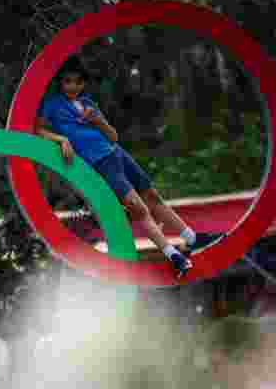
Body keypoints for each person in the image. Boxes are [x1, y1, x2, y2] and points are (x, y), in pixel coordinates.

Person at [35, 56, 222, 279]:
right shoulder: (53, 104)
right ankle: (174, 255)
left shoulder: (88, 104)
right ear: (61, 83)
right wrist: (62, 140)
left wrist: (98, 121)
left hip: (116, 153)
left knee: (152, 196)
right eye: (68, 82)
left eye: (77, 82)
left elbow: (113, 136)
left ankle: (193, 238)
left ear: (83, 83)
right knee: (138, 207)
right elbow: (38, 130)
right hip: (99, 162)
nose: (72, 86)